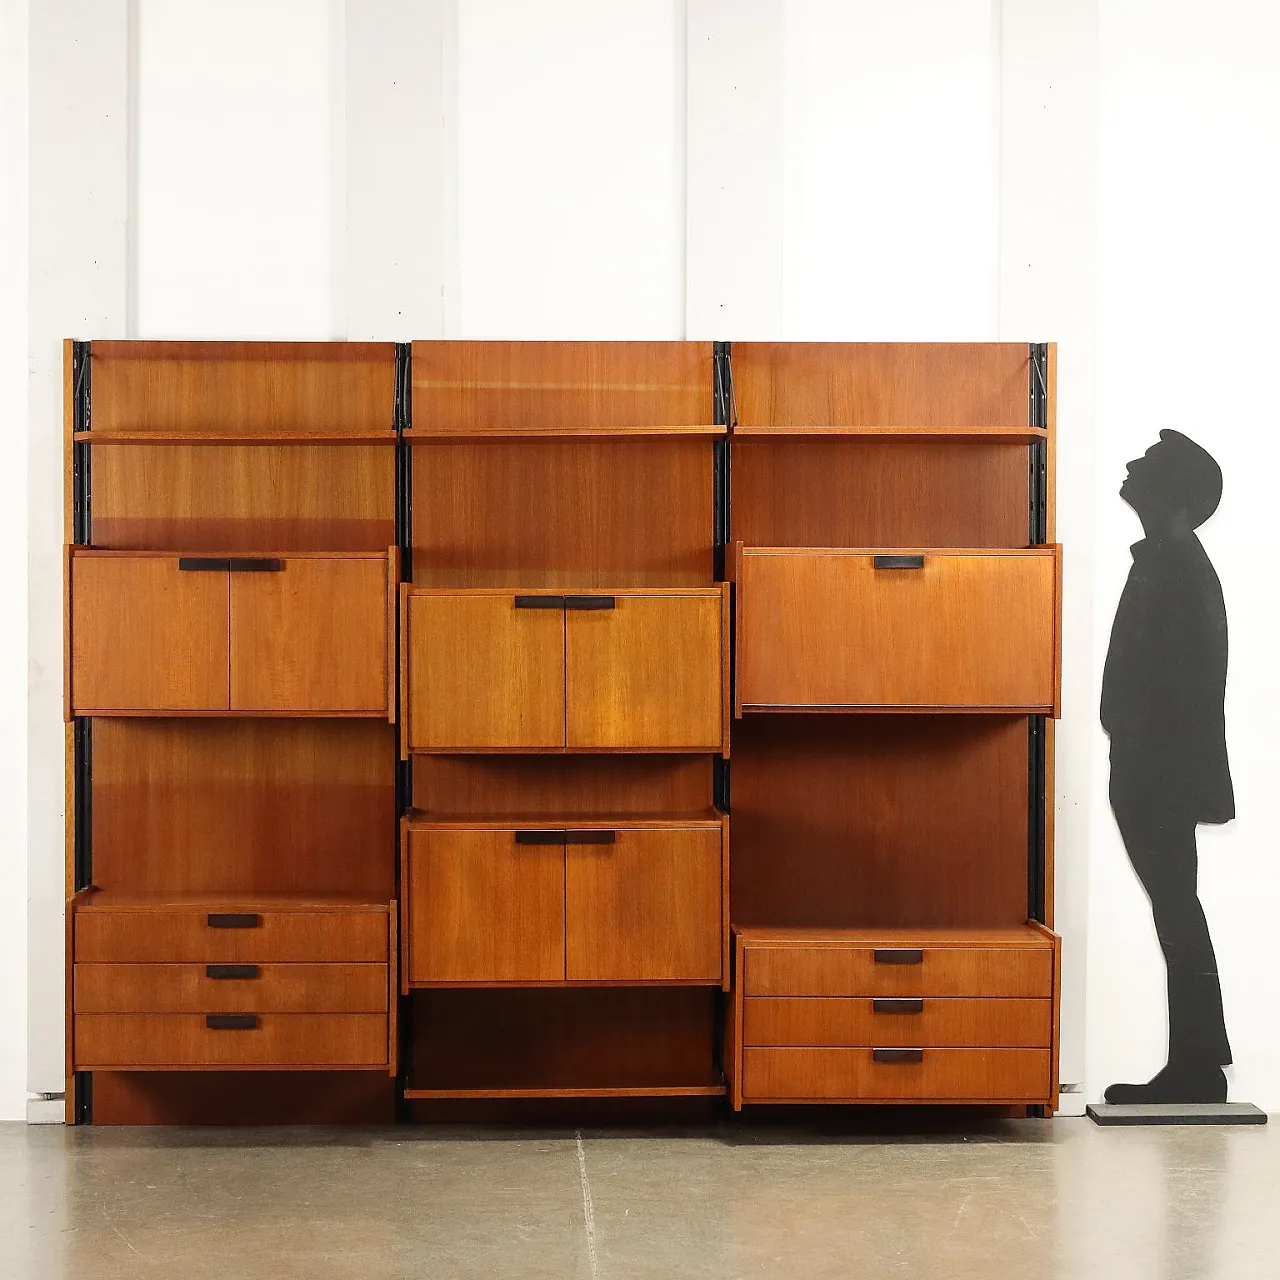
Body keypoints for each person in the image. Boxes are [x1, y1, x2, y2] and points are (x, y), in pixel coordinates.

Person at [1101, 429, 1233, 1104]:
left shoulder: (1176, 565)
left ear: (1176, 492)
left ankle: (1199, 1065)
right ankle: (1199, 1061)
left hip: (1159, 775)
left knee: (1177, 910)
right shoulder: (1167, 561)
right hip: (1150, 769)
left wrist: (1137, 749)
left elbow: (1185, 686)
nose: (1131, 466)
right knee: (1177, 910)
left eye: (1148, 464)